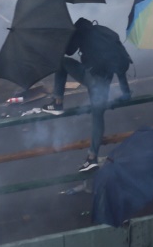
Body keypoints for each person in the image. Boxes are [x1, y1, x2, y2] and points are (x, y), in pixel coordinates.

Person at [42, 18, 133, 173]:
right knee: (98, 118)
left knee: (62, 62)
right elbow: (120, 60)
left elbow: (68, 51)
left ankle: (57, 102)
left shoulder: (81, 33)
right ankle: (92, 158)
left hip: (93, 79)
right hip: (104, 84)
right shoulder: (106, 33)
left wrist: (61, 38)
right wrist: (125, 92)